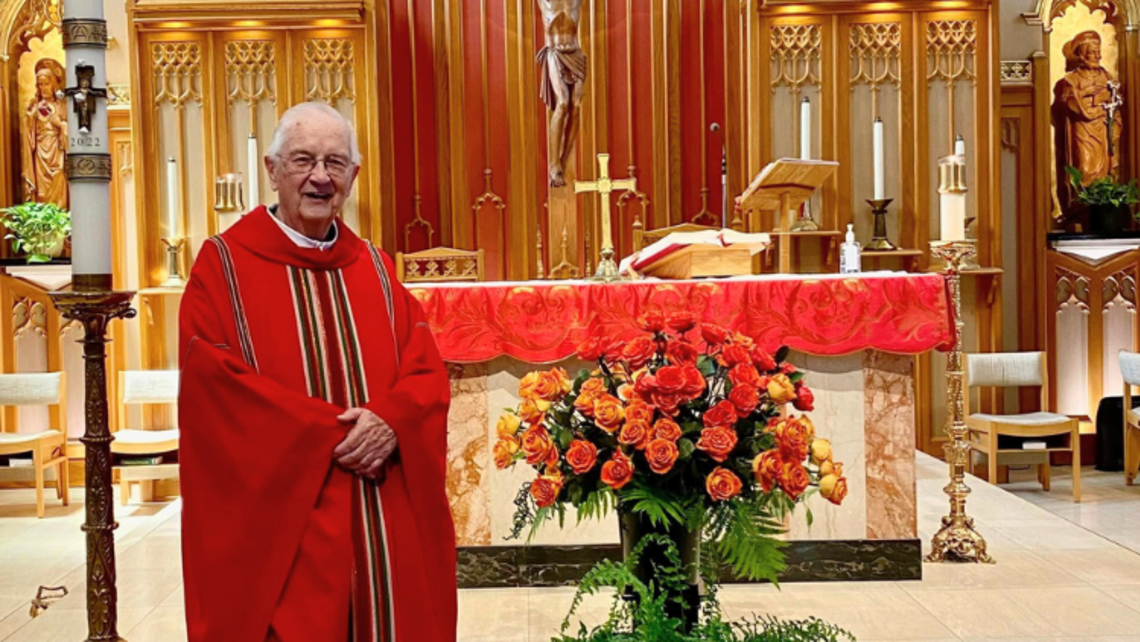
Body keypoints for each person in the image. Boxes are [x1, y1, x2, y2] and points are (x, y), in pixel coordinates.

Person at [178, 101, 457, 642]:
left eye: (335, 163)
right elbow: (215, 389)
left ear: (353, 176)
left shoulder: (376, 267)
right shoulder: (223, 267)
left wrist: (391, 419)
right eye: (303, 160)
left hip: (380, 516)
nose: (320, 178)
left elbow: (424, 367)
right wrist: (340, 432)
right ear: (272, 169)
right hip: (286, 524)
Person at [22, 60, 67, 208]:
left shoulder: (61, 106)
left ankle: (60, 216)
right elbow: (28, 133)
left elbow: (70, 130)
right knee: (42, 189)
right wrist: (31, 117)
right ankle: (43, 221)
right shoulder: (34, 106)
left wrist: (60, 124)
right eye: (40, 85)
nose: (43, 88)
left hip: (57, 150)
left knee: (59, 176)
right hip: (40, 153)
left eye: (46, 84)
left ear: (53, 84)